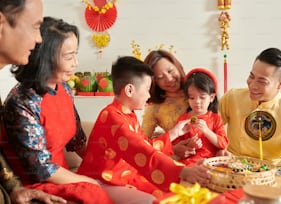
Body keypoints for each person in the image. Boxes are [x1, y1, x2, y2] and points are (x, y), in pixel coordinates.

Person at [2, 16, 114, 203]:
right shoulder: (22, 102)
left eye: (75, 54)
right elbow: (42, 169)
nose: (76, 63)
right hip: (35, 182)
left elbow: (77, 142)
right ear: (45, 57)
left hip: (64, 176)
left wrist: (107, 165)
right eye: (69, 56)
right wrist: (87, 181)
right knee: (92, 193)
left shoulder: (65, 89)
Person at [77, 56, 211, 200]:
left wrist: (174, 133)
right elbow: (142, 151)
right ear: (129, 90)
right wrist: (183, 171)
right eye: (147, 89)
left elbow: (144, 144)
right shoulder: (113, 118)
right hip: (104, 181)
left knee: (175, 193)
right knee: (155, 200)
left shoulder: (126, 114)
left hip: (125, 177)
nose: (148, 95)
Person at [0, 1, 66, 203]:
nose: (39, 40)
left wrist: (14, 188)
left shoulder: (64, 92)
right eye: (35, 27)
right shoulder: (22, 100)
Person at [219, 47, 281, 177]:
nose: (253, 85)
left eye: (262, 81)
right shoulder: (232, 97)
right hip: (231, 167)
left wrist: (275, 175)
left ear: (280, 84)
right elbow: (211, 125)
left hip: (271, 173)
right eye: (251, 76)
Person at [142, 49, 197, 160]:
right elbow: (142, 144)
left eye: (170, 71)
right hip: (177, 161)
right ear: (154, 82)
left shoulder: (197, 89)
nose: (169, 79)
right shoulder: (154, 108)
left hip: (209, 156)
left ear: (177, 66)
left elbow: (217, 123)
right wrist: (172, 148)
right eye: (160, 78)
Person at [172, 68, 229, 166]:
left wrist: (206, 130)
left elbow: (223, 143)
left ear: (211, 97)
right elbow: (175, 146)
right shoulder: (183, 119)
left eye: (202, 97)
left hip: (212, 162)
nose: (197, 102)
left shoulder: (215, 119)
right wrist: (189, 145)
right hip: (190, 162)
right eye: (192, 98)